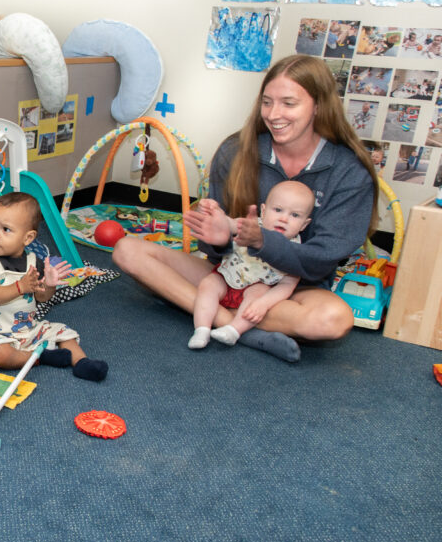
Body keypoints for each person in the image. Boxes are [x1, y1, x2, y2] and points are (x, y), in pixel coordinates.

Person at [112, 54, 378, 362]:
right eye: (267, 102)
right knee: (126, 250)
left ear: (318, 106)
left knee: (334, 319)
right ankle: (237, 328)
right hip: (230, 275)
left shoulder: (349, 170)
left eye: (289, 103)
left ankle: (210, 313)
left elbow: (320, 261)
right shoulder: (235, 151)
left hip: (291, 289)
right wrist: (219, 238)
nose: (274, 114)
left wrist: (262, 241)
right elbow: (215, 255)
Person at [0, 192, 108, 381]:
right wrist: (20, 287)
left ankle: (82, 362)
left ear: (27, 238)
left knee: (64, 332)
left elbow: (42, 298)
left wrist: (49, 285)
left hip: (30, 329)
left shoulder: (34, 262)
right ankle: (39, 358)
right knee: (0, 355)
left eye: (5, 229)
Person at [188, 181, 315, 349]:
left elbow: (286, 286)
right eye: (278, 210)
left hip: (256, 288)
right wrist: (215, 212)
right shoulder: (252, 225)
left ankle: (234, 331)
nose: (284, 219)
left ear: (304, 224)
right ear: (263, 210)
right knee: (207, 285)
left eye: (295, 215)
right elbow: (230, 224)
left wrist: (263, 304)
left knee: (257, 296)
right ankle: (202, 330)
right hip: (227, 277)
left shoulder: (295, 250)